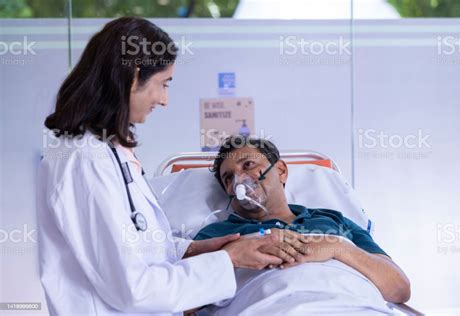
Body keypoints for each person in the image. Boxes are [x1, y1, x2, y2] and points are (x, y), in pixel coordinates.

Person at [36, 17, 297, 316]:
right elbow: (132, 289)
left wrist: (192, 249)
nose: (164, 99)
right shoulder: (83, 161)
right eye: (163, 84)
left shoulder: (110, 153)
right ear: (134, 77)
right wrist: (229, 260)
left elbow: (133, 245)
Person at [194, 135, 411, 304]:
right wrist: (231, 256)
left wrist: (337, 247)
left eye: (248, 165)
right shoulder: (217, 235)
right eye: (228, 178)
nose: (240, 180)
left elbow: (399, 289)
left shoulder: (335, 221)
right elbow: (183, 299)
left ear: (280, 170)